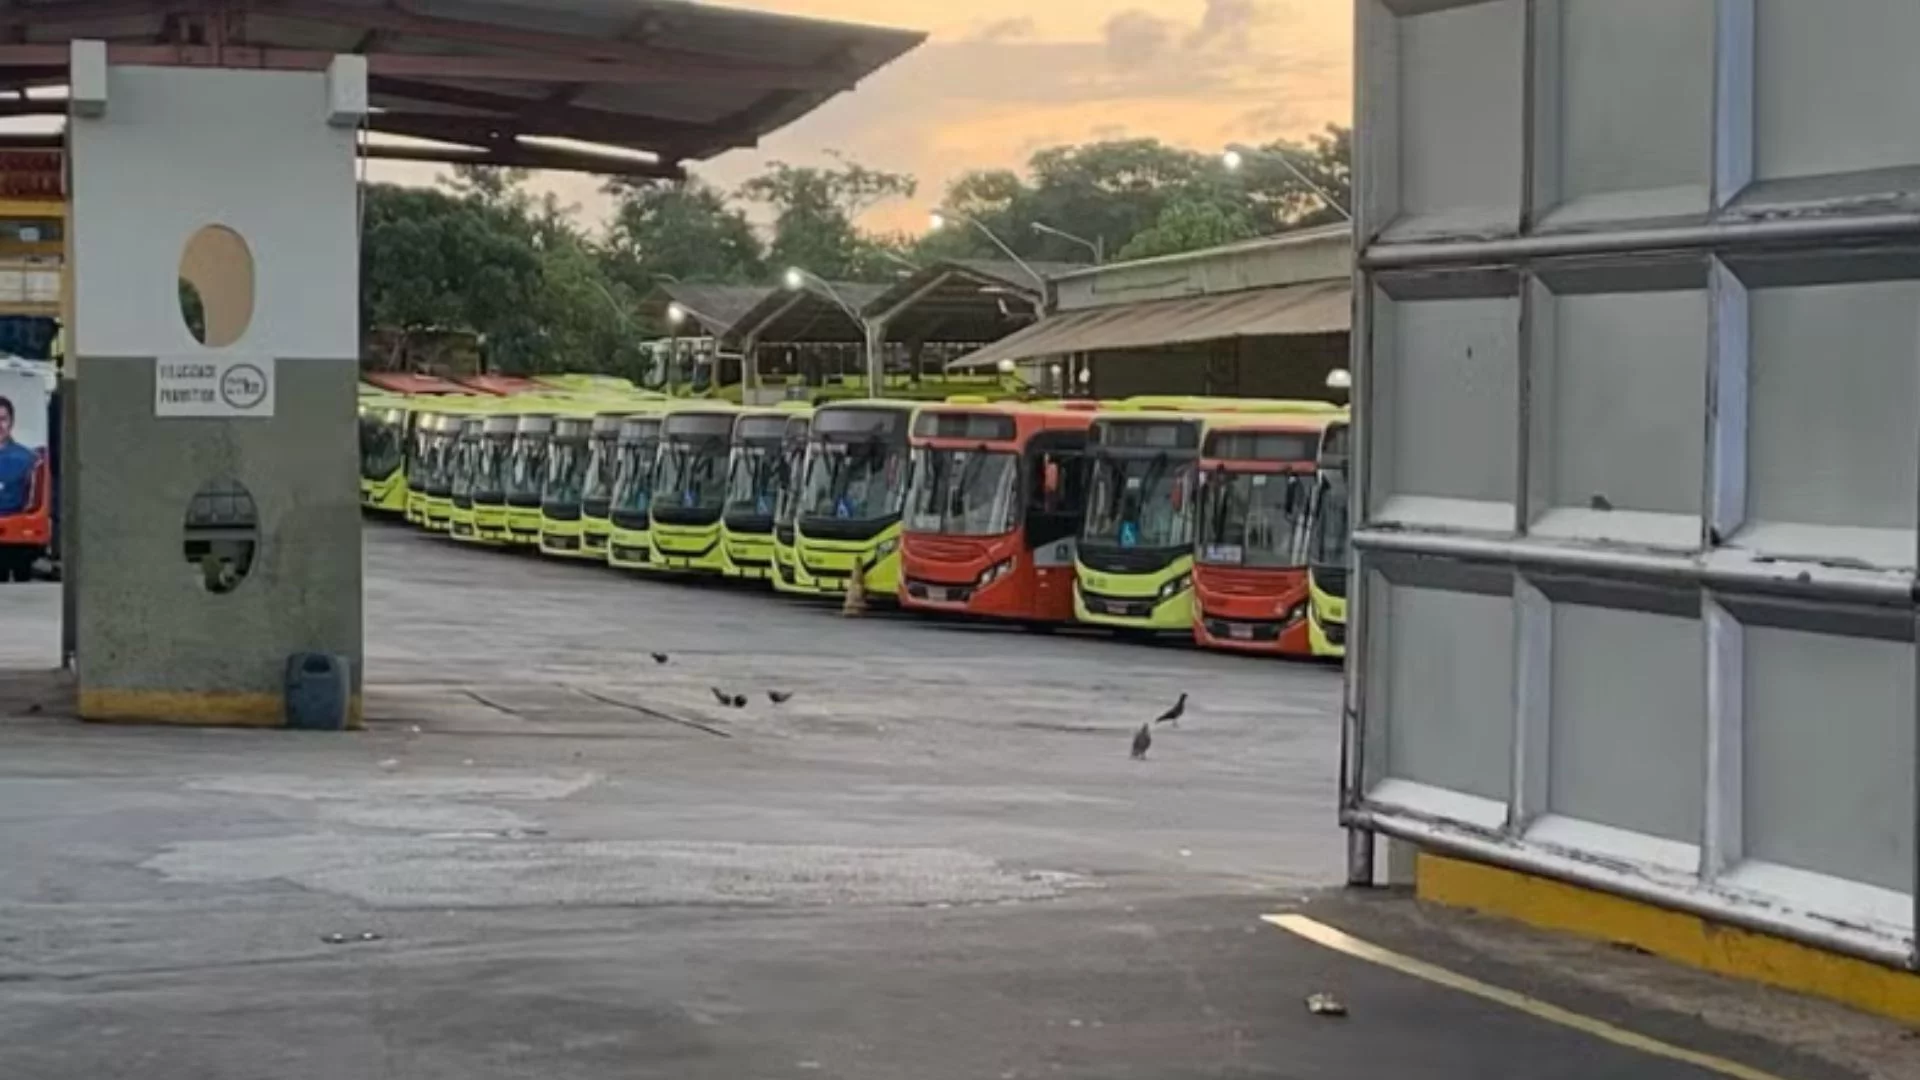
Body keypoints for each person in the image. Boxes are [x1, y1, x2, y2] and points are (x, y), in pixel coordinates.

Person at [0, 395, 37, 516]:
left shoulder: (28, 459)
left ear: (11, 422)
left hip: (12, 527)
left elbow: (31, 505)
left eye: (3, 419)